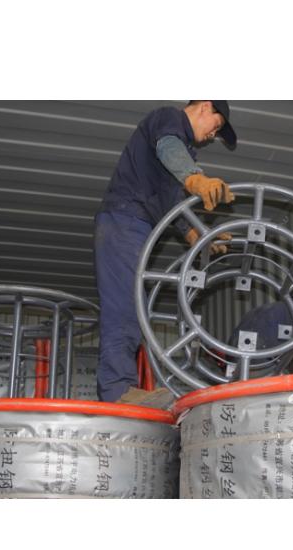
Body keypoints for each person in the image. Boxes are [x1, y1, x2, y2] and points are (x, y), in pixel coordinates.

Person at [94, 101, 238, 404]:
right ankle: (118, 393)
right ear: (205, 106)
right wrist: (195, 178)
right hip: (124, 220)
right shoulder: (168, 120)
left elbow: (171, 202)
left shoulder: (179, 152)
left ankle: (119, 389)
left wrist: (196, 233)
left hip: (133, 224)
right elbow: (168, 146)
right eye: (216, 126)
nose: (213, 135)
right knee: (124, 309)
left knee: (133, 308)